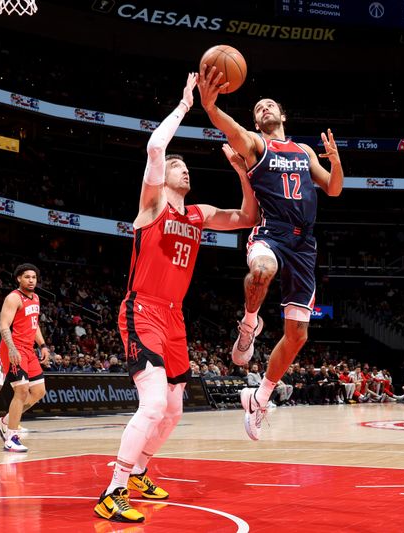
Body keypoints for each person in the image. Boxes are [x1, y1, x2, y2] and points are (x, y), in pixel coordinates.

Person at [94, 73, 259, 524]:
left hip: (174, 317)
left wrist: (243, 172)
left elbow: (248, 216)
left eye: (186, 166)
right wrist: (186, 105)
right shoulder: (152, 206)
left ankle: (141, 469)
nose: (183, 168)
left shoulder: (198, 214)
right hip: (142, 308)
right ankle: (114, 490)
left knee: (174, 407)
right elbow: (154, 148)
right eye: (176, 166)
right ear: (162, 176)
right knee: (151, 404)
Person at [197, 65, 344, 440]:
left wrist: (335, 161)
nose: (263, 109)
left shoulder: (304, 150)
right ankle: (249, 324)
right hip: (270, 233)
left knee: (297, 336)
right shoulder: (256, 145)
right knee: (261, 270)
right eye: (257, 107)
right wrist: (212, 107)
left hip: (304, 245)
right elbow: (231, 129)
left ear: (282, 114)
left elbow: (334, 189)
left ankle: (259, 398)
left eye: (269, 106)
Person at [0, 264, 50, 453]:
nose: (31, 280)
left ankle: (4, 421)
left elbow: (35, 325)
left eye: (34, 277)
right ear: (18, 279)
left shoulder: (37, 298)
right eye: (27, 277)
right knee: (22, 391)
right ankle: (11, 437)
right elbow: (4, 326)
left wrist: (43, 345)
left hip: (29, 350)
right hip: (13, 349)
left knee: (39, 392)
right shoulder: (14, 297)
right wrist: (12, 348)